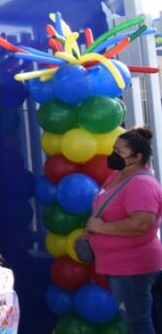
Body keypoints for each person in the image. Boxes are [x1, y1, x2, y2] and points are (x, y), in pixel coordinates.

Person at [85, 127, 162, 333]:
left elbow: (141, 223)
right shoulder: (118, 176)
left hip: (133, 267)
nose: (113, 155)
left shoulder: (141, 184)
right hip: (120, 266)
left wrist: (102, 227)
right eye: (114, 149)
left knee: (137, 322)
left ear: (137, 157)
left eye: (119, 152)